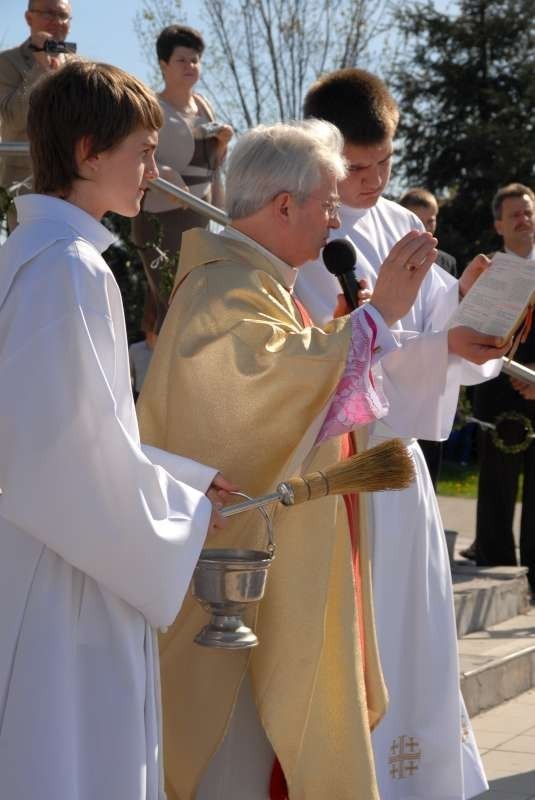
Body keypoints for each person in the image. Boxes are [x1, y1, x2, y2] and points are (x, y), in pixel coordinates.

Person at [137, 119, 439, 800]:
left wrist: (371, 324)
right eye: (329, 204)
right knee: (233, 761)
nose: (335, 221)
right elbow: (253, 402)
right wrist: (374, 318)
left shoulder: (257, 280)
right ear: (283, 205)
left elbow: (300, 394)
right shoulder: (223, 285)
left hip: (280, 560)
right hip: (232, 585)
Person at [0, 60, 235, 800]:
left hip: (49, 542)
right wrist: (184, 509)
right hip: (64, 565)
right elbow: (67, 456)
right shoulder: (68, 269)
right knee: (71, 754)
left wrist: (180, 481)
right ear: (86, 153)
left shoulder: (34, 257)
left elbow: (74, 429)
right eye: (142, 151)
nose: (154, 170)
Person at [295, 68, 510, 800]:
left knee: (413, 630)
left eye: (384, 164)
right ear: (320, 152)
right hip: (336, 471)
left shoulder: (400, 226)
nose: (371, 181)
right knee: (363, 636)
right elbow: (333, 364)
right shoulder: (301, 233)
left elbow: (439, 344)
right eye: (355, 168)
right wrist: (436, 350)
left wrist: (472, 323)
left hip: (402, 468)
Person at [132, 24, 233, 333]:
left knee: (196, 301)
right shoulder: (149, 106)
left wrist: (224, 142)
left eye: (195, 60)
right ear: (164, 64)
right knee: (173, 303)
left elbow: (213, 165)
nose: (190, 66)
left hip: (199, 215)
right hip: (161, 217)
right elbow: (134, 157)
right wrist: (164, 173)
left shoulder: (203, 104)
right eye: (182, 60)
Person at [470, 183, 535, 589]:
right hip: (497, 394)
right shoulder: (487, 273)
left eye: (528, 212)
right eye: (515, 215)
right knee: (497, 487)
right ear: (499, 224)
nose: (524, 220)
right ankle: (498, 577)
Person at [399, 188, 458, 486]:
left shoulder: (446, 263)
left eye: (431, 222)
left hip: (434, 373)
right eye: (417, 223)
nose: (425, 230)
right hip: (400, 369)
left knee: (429, 466)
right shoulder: (390, 259)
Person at [0, 0, 74, 230]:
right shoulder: (7, 62)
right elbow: (11, 121)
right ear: (29, 17)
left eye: (63, 16)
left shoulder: (79, 66)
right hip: (27, 181)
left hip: (75, 180)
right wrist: (39, 70)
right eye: (49, 14)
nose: (57, 22)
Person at [399, 187, 458, 277]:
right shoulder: (391, 257)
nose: (424, 228)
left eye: (430, 221)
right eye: (417, 221)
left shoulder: (448, 262)